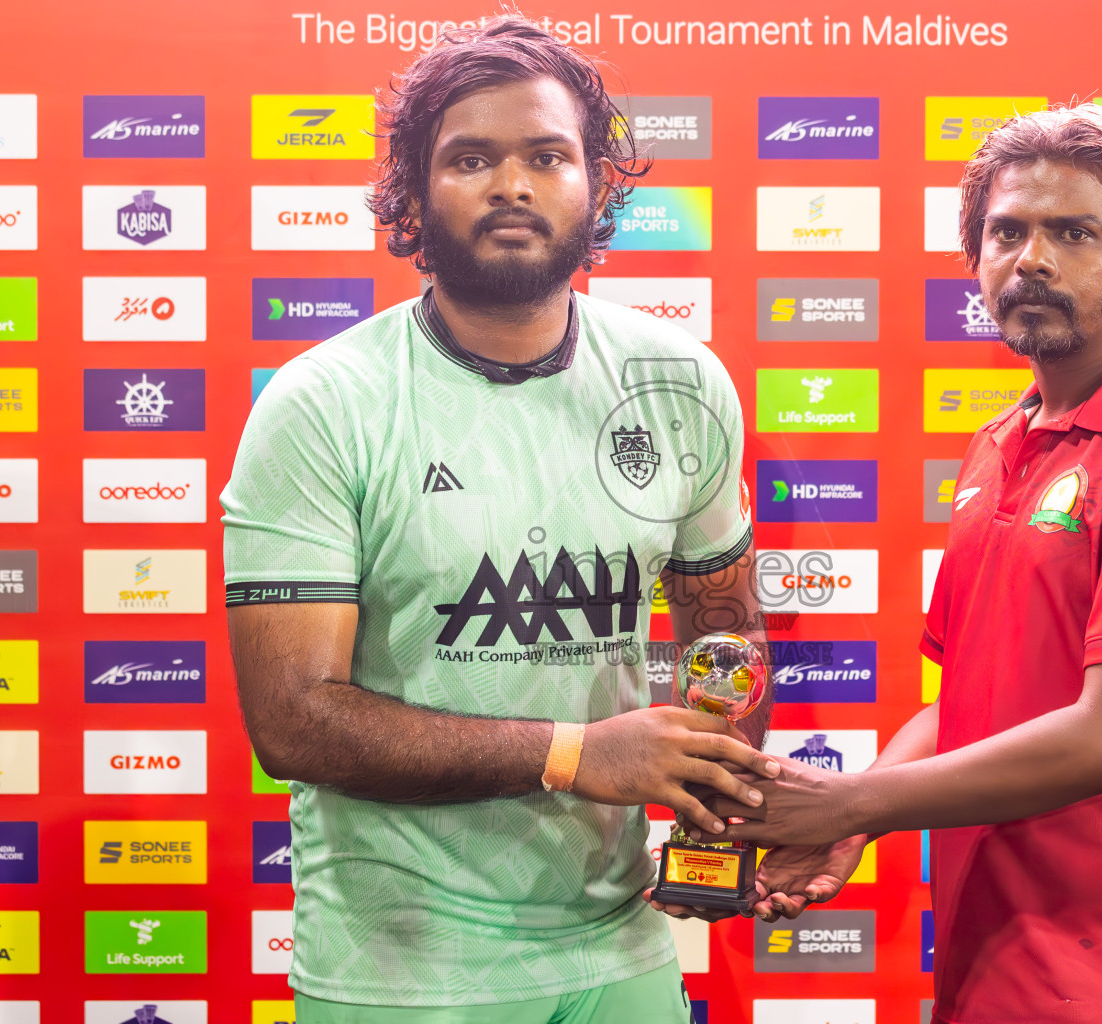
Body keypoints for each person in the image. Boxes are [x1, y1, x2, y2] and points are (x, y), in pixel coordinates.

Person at [220, 15, 776, 1023]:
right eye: (471, 157)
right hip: (398, 968)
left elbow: (724, 628)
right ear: (413, 192)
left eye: (547, 156)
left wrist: (720, 797)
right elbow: (294, 721)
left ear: (597, 184)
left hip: (620, 943)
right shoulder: (324, 401)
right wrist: (576, 751)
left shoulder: (679, 382)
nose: (512, 185)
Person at [697, 104, 1102, 1024]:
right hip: (988, 950)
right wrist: (859, 819)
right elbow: (959, 698)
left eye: (1074, 232)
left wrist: (848, 803)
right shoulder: (999, 442)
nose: (1031, 258)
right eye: (1008, 232)